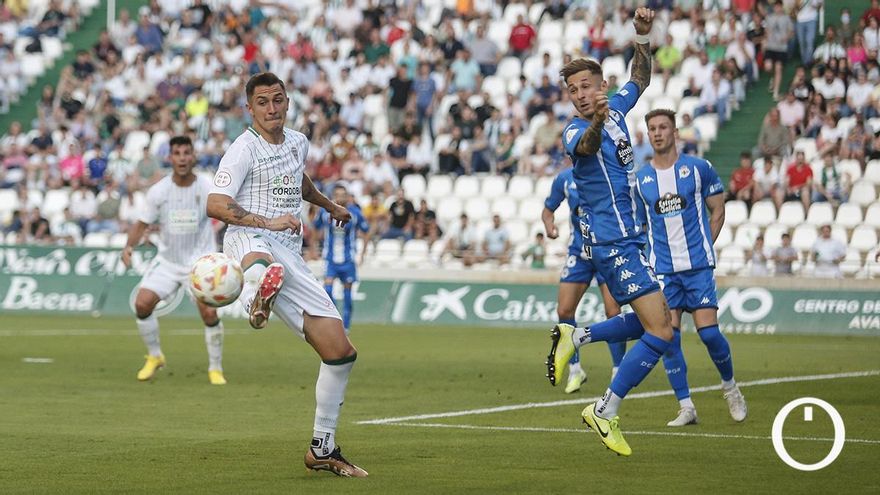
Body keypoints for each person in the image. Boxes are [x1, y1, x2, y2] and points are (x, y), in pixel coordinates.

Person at [206, 73, 367, 477]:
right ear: (250, 108)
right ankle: (253, 299)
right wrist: (268, 221)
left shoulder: (297, 142)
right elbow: (216, 203)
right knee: (261, 260)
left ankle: (322, 447)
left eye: (278, 100)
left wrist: (331, 207)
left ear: (287, 102)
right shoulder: (242, 149)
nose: (272, 108)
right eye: (263, 102)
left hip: (290, 257)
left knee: (341, 351)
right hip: (249, 236)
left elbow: (300, 182)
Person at [546, 7, 676, 457]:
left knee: (654, 323)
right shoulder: (575, 130)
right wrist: (597, 119)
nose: (579, 95)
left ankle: (576, 336)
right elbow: (586, 145)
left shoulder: (617, 106)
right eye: (572, 90)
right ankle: (605, 409)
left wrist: (642, 35)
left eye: (586, 86)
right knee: (661, 331)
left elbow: (641, 76)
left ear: (601, 86)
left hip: (631, 237)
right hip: (609, 242)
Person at [634, 109, 747, 427]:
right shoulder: (641, 179)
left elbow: (718, 210)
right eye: (652, 128)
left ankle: (730, 387)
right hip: (664, 271)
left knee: (709, 333)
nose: (657, 133)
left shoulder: (698, 169)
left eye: (663, 127)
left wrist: (705, 248)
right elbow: (642, 227)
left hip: (697, 267)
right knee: (668, 337)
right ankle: (686, 406)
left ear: (675, 132)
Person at [121, 136, 225, 385]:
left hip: (200, 263)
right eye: (177, 153)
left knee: (209, 314)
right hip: (168, 260)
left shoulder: (207, 186)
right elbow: (142, 223)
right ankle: (155, 356)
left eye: (186, 153)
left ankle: (215, 368)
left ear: (193, 157)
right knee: (142, 304)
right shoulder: (159, 191)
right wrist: (128, 246)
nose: (182, 158)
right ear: (170, 158)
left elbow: (226, 211)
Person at [543, 166, 624, 394]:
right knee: (564, 310)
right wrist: (549, 225)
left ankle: (619, 370)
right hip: (579, 254)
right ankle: (575, 369)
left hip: (606, 252)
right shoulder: (564, 179)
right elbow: (548, 209)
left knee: (613, 312)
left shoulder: (607, 173)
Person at [315, 184, 370, 333]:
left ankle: (345, 326)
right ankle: (334, 322)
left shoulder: (355, 213)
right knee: (328, 291)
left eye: (343, 194)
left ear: (347, 196)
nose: (340, 197)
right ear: (333, 196)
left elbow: (366, 231)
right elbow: (315, 227)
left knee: (347, 295)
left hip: (348, 260)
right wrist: (314, 249)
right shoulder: (325, 212)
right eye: (337, 194)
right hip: (330, 260)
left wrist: (363, 253)